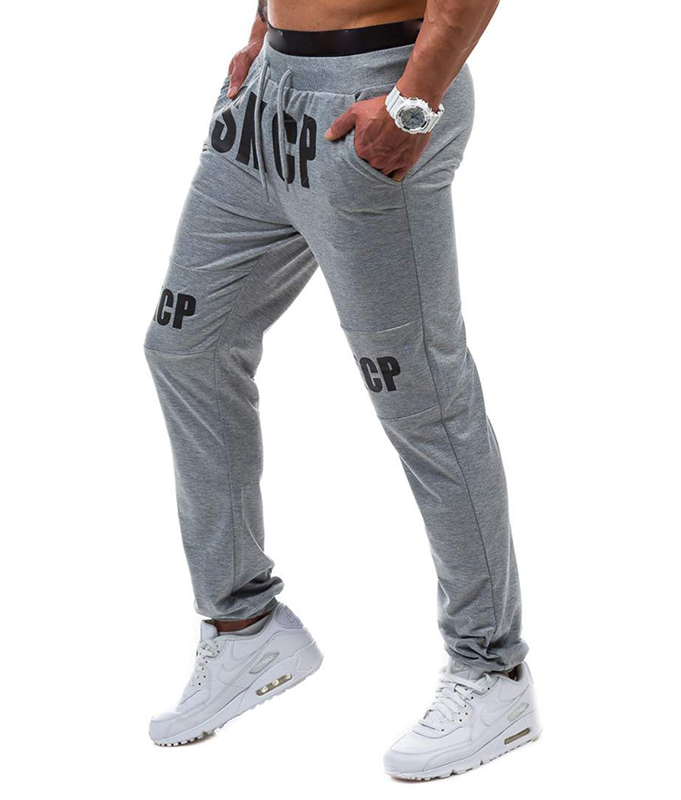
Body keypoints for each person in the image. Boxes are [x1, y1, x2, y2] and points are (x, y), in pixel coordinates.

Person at [144, 0, 540, 778]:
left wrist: (414, 104)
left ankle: (492, 672)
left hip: (376, 94)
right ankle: (245, 629)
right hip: (266, 100)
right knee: (187, 348)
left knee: (423, 399)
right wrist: (262, 31)